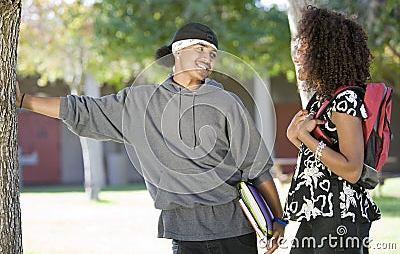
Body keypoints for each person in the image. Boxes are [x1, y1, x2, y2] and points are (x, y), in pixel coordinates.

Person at [17, 22, 285, 254]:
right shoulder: (140, 103)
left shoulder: (227, 103)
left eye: (213, 54)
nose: (208, 58)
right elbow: (82, 109)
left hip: (235, 233)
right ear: (178, 50)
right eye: (201, 49)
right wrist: (23, 100)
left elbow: (256, 167)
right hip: (184, 236)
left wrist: (279, 219)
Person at [284, 6, 381, 254]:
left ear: (323, 54)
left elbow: (350, 169)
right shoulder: (323, 99)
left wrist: (305, 136)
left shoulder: (345, 100)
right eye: (297, 49)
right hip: (317, 213)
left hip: (340, 218)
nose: (297, 57)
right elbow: (326, 159)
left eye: (304, 51)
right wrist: (295, 138)